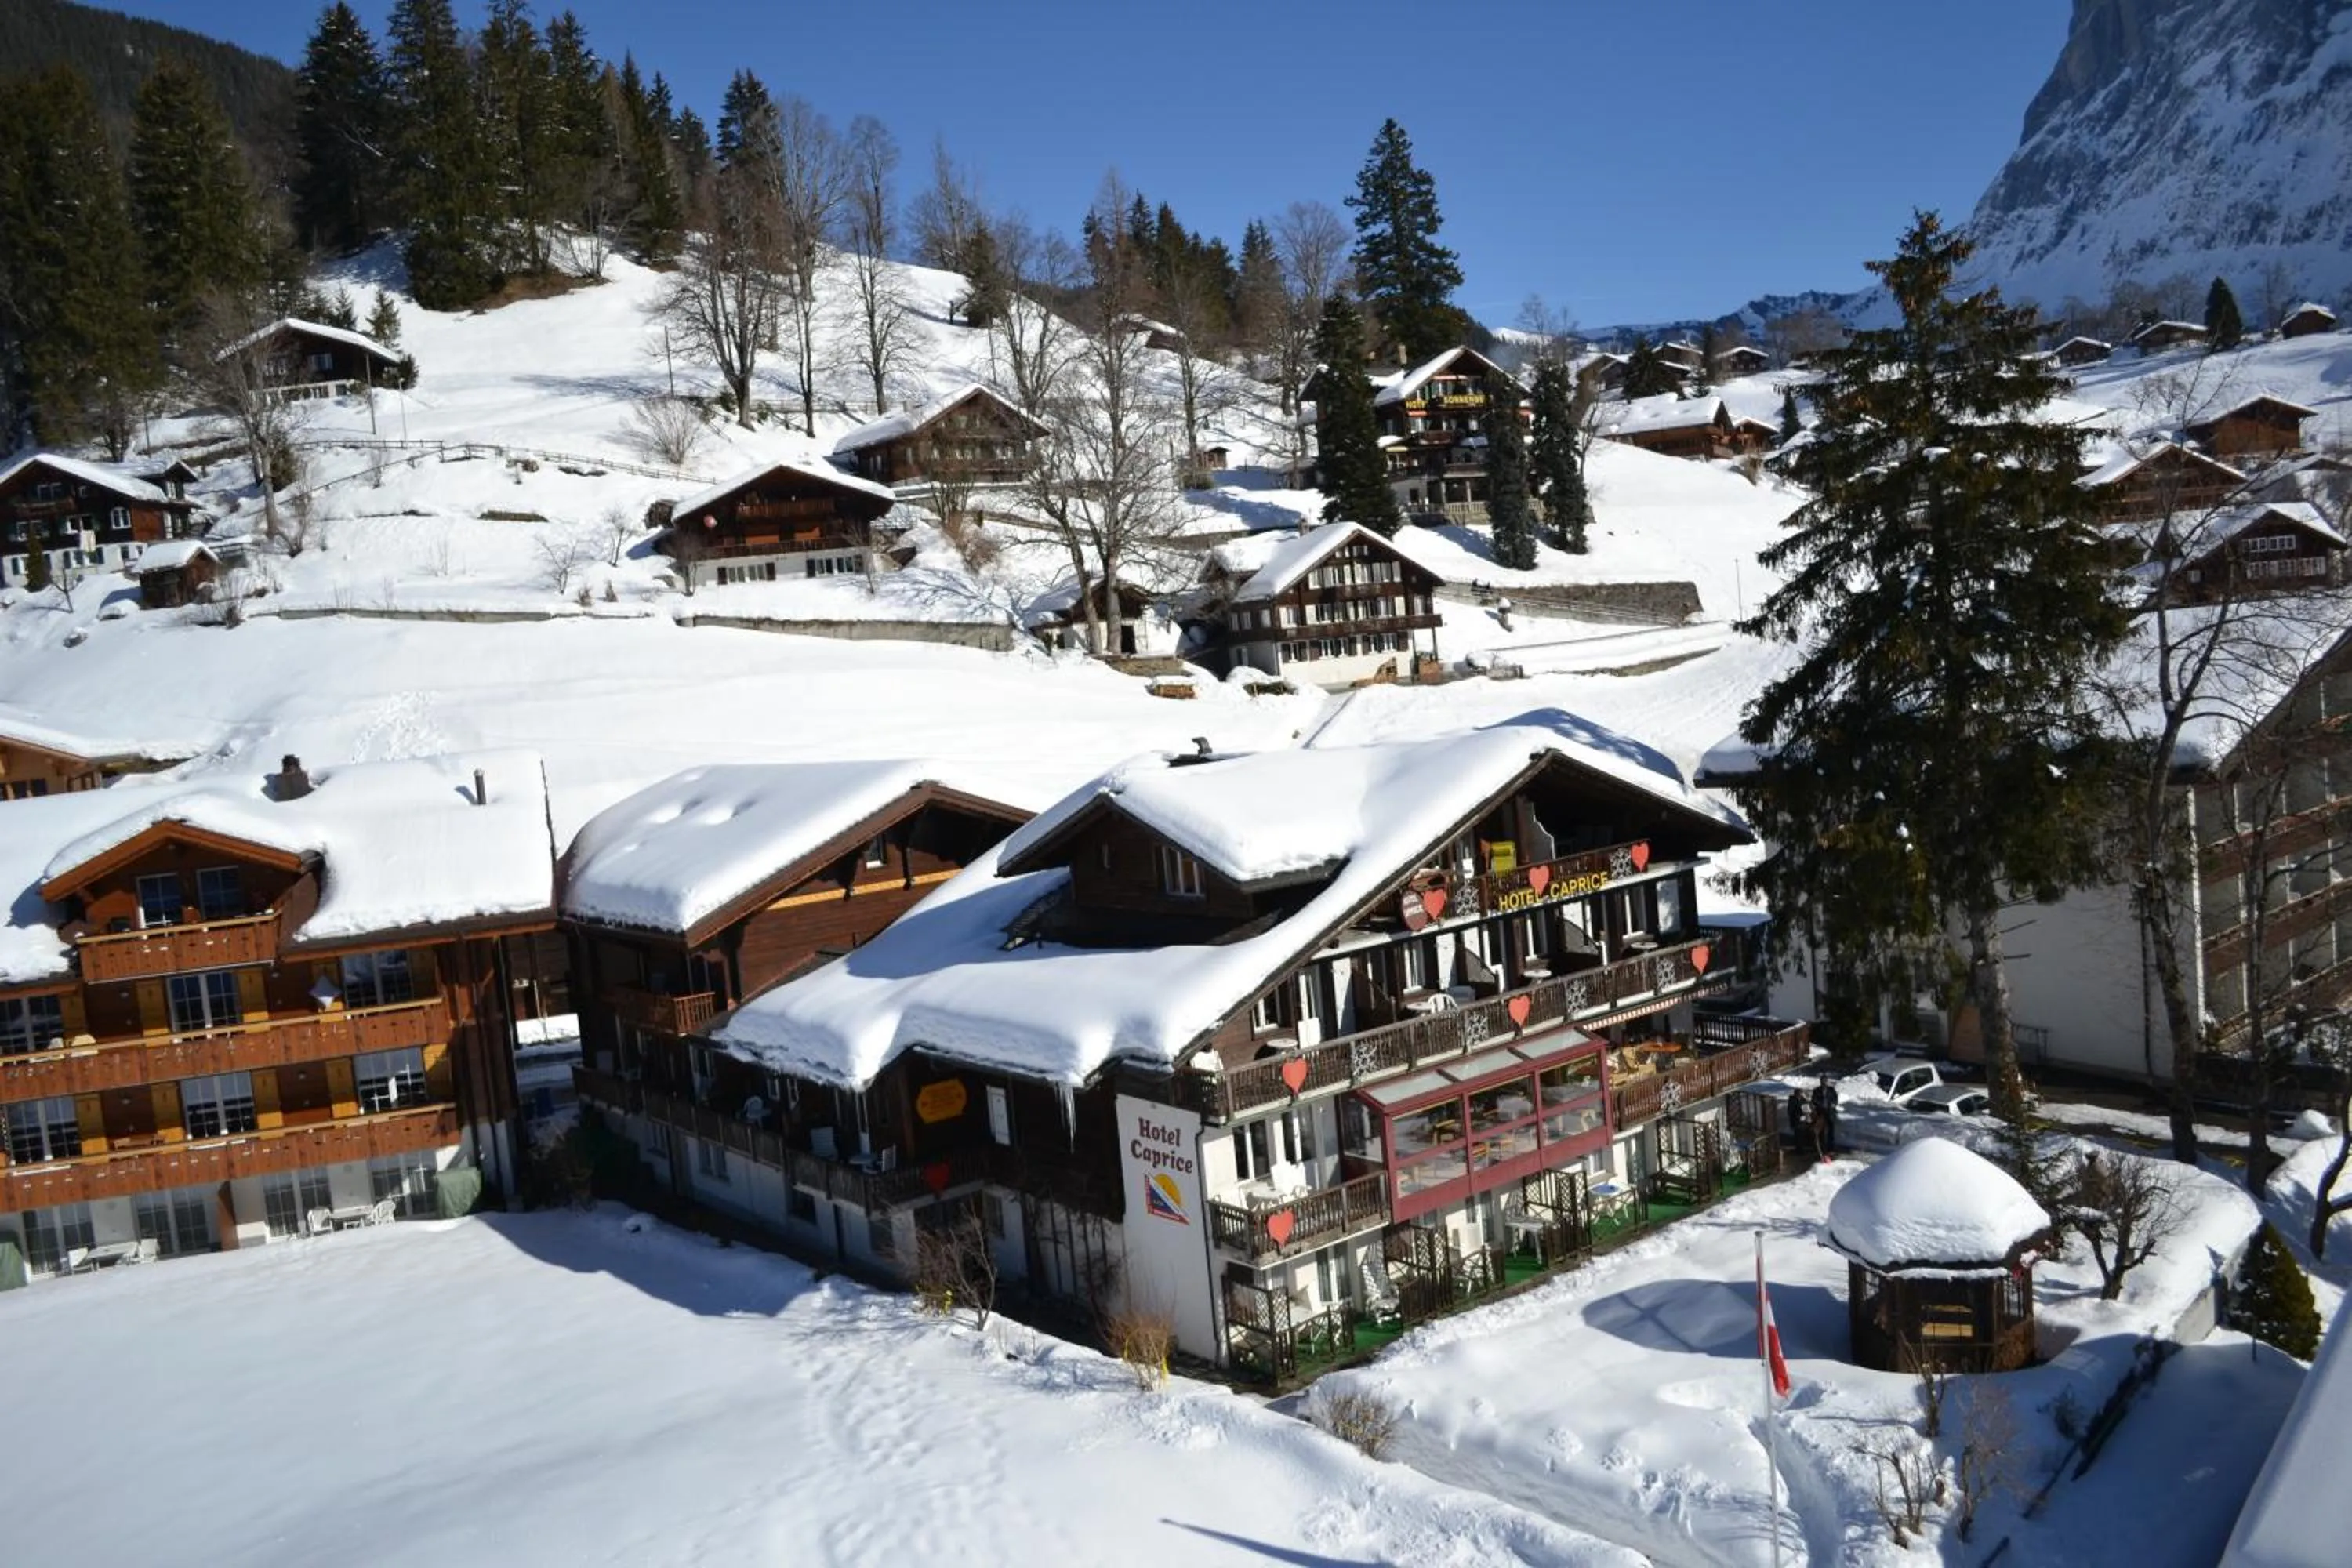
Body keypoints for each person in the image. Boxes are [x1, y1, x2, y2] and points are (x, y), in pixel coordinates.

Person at [1812, 1078, 1839, 1160]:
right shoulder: (1816, 1091)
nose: (1824, 1083)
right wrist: (1821, 1105)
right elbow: (1814, 1100)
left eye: (1825, 1081)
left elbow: (1835, 1099)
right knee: (1821, 1132)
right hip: (1821, 1113)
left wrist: (1833, 1104)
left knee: (1831, 1132)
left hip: (1830, 1113)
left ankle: (1831, 1149)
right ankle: (1823, 1149)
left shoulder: (1831, 1090)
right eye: (1822, 1082)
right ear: (1820, 1082)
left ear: (1827, 1082)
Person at [1786, 1086, 1811, 1151]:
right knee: (1798, 1134)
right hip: (1796, 1121)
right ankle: (1799, 1149)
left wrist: (1807, 1116)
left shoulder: (1803, 1100)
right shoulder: (1792, 1100)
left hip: (1803, 1120)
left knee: (1803, 1134)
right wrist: (1798, 1117)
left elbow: (1807, 1109)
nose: (1800, 1095)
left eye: (1801, 1093)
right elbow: (1790, 1111)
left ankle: (1802, 1148)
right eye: (1799, 1093)